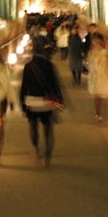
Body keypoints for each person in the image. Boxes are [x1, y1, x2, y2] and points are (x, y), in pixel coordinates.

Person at [20, 38, 64, 167]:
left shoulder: (28, 67)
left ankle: (35, 148)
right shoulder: (50, 66)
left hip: (32, 102)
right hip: (46, 102)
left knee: (33, 125)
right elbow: (56, 85)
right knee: (48, 128)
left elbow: (24, 87)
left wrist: (22, 102)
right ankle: (47, 156)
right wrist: (59, 99)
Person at [86, 32, 108, 126]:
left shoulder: (106, 52)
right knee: (97, 97)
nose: (96, 43)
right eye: (94, 41)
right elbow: (89, 64)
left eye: (98, 41)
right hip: (95, 78)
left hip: (106, 77)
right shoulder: (92, 52)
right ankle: (98, 114)